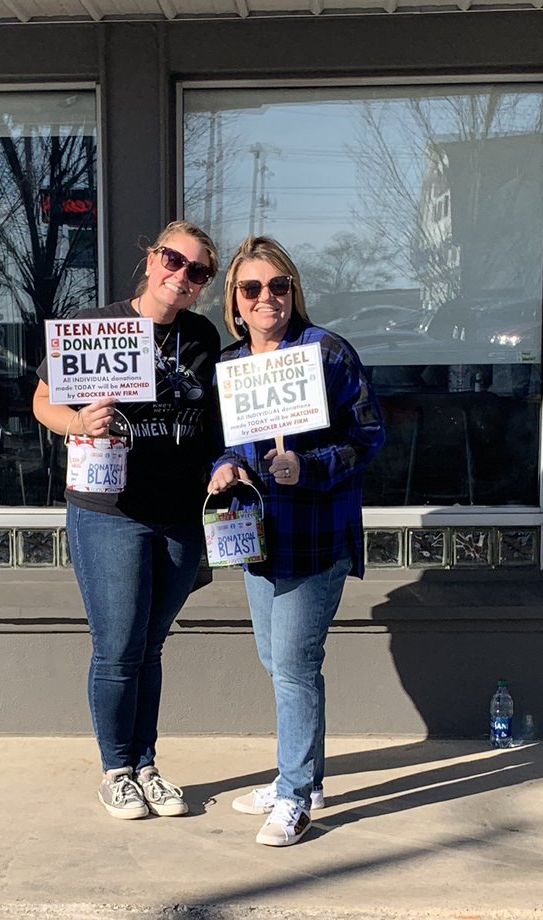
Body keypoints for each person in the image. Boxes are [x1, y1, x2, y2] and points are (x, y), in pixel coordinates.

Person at [33, 220, 221, 821]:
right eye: (174, 260)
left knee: (151, 647)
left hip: (179, 515)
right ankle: (116, 770)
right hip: (110, 511)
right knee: (117, 648)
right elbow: (41, 399)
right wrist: (77, 424)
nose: (182, 276)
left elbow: (215, 421)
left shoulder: (202, 337)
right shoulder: (98, 325)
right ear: (150, 256)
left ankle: (146, 765)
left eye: (198, 271)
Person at [208, 235, 384, 847]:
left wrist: (307, 467)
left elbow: (368, 437)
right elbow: (224, 441)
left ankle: (294, 795)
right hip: (255, 537)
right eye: (252, 288)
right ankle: (302, 779)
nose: (266, 298)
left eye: (278, 286)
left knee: (294, 668)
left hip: (315, 536)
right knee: (277, 662)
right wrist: (223, 468)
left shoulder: (327, 353)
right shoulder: (230, 365)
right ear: (234, 299)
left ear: (294, 292)